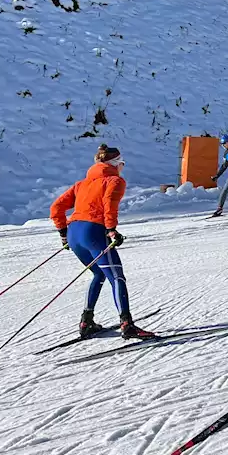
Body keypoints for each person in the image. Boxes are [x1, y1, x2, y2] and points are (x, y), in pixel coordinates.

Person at [50, 144, 155, 340]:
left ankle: (86, 321)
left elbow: (56, 207)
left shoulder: (81, 184)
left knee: (98, 273)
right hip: (94, 232)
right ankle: (127, 324)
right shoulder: (115, 180)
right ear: (115, 163)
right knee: (117, 277)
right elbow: (109, 205)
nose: (122, 168)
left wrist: (63, 233)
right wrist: (111, 229)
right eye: (122, 164)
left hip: (75, 234)